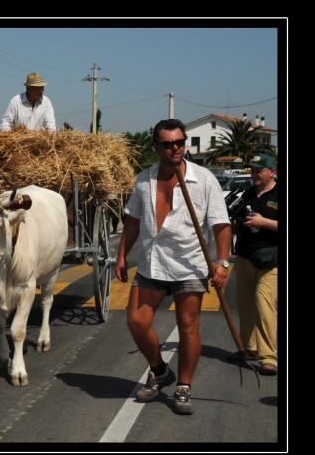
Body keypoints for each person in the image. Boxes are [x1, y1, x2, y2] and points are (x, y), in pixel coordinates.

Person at [115, 119, 231, 415]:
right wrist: (121, 255)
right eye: (168, 144)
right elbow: (133, 221)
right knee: (137, 321)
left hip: (191, 264)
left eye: (180, 142)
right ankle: (159, 370)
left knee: (188, 327)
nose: (175, 148)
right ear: (156, 146)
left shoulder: (203, 179)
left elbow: (221, 224)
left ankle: (183, 387)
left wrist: (222, 262)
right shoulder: (144, 179)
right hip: (152, 261)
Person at [228, 153, 278, 375]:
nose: (254, 173)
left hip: (272, 261)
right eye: (252, 169)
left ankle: (269, 357)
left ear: (272, 172)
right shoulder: (246, 194)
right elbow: (234, 220)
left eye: (259, 170)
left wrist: (263, 222)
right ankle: (249, 348)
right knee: (245, 305)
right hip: (244, 257)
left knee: (263, 303)